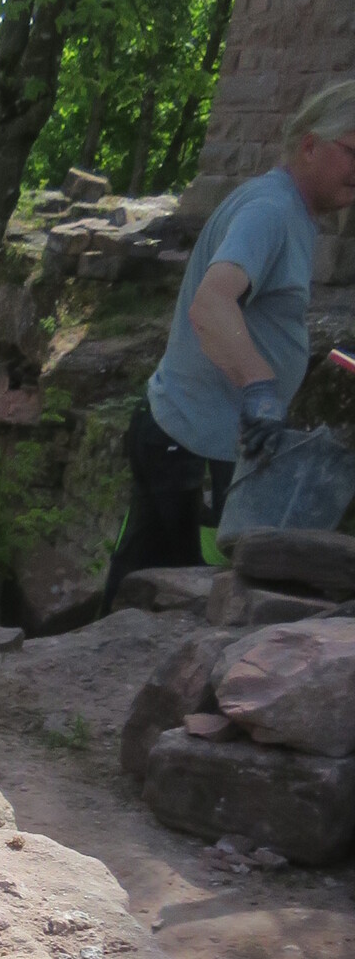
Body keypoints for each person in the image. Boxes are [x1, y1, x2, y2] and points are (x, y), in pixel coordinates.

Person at [102, 78, 355, 606]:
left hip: (190, 436)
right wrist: (260, 387)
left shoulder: (290, 211)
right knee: (184, 600)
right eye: (353, 152)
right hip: (191, 448)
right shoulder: (270, 212)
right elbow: (212, 304)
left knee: (152, 587)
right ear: (311, 145)